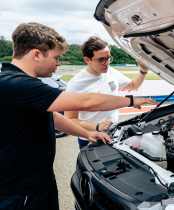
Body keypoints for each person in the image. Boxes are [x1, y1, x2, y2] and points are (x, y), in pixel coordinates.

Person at [0, 22, 154, 210]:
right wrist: (130, 101)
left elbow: (54, 117)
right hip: (22, 188)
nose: (58, 64)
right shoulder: (17, 85)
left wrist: (87, 133)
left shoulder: (17, 81)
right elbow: (86, 102)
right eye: (56, 57)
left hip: (38, 176)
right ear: (37, 54)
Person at [65, 36, 149, 148]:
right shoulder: (75, 85)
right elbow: (70, 120)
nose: (107, 63)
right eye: (101, 59)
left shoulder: (111, 72)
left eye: (108, 58)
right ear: (87, 60)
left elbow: (133, 85)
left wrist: (143, 71)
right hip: (91, 138)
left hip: (115, 133)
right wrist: (97, 126)